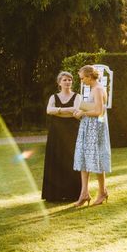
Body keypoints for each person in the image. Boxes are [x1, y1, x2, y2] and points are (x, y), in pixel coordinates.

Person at [72, 65, 111, 207]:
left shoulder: (99, 89)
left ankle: (102, 192)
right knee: (84, 158)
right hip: (88, 129)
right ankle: (84, 193)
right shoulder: (93, 89)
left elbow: (100, 112)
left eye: (82, 78)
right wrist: (80, 112)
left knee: (97, 159)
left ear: (89, 76)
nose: (82, 81)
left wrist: (83, 113)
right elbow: (93, 108)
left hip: (96, 130)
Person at [41, 71, 82, 202]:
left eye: (70, 80)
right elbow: (48, 110)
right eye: (65, 80)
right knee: (56, 160)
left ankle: (72, 193)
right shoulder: (53, 97)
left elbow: (75, 113)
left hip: (72, 132)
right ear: (59, 83)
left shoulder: (77, 96)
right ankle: (54, 194)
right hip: (56, 132)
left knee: (71, 160)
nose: (68, 82)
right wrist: (66, 110)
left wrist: (57, 111)